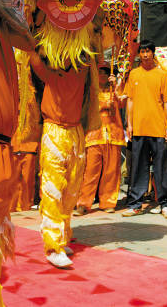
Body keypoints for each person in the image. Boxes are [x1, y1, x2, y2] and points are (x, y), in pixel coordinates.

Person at [29, 49, 90, 269]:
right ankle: (52, 246)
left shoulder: (83, 70)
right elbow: (33, 56)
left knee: (70, 192)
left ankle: (61, 238)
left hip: (76, 133)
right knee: (53, 190)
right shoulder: (49, 73)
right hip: (54, 130)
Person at [121, 40, 167, 218]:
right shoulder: (134, 74)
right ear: (139, 54)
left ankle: (165, 204)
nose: (145, 54)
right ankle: (135, 204)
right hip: (139, 129)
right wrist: (129, 124)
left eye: (148, 51)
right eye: (142, 51)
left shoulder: (162, 75)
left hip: (158, 128)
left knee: (161, 168)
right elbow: (130, 100)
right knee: (137, 168)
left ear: (153, 53)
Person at [76, 64, 126, 214]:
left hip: (113, 135)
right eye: (100, 73)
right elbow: (86, 109)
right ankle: (83, 203)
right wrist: (104, 105)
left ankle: (108, 202)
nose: (102, 75)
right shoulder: (91, 92)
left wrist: (116, 87)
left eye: (105, 73)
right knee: (90, 171)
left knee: (111, 171)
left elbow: (124, 102)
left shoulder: (115, 90)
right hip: (94, 135)